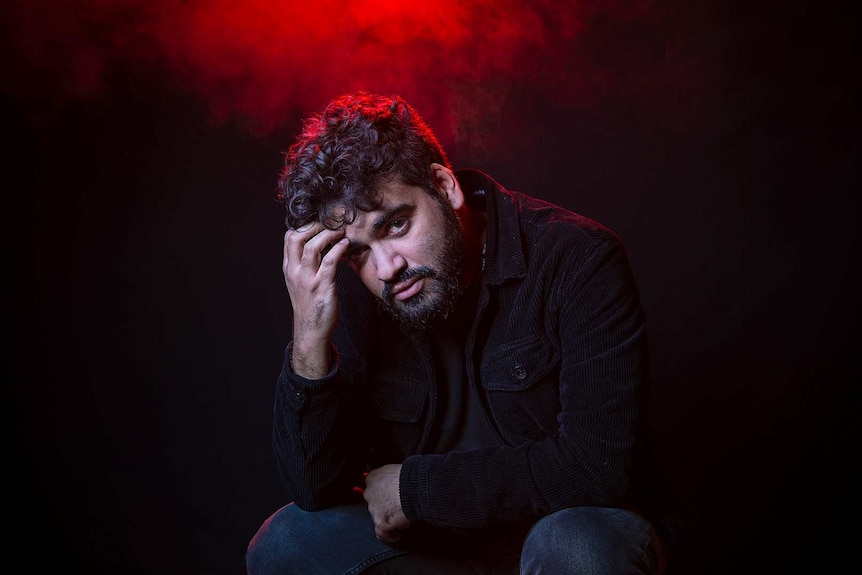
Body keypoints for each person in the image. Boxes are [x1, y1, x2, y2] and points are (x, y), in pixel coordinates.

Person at [246, 91, 672, 574]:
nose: (387, 268)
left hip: (560, 533)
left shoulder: (577, 258)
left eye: (397, 224)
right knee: (287, 540)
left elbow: (599, 467)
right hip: (436, 553)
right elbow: (313, 490)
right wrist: (309, 339)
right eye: (360, 250)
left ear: (444, 186)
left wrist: (417, 491)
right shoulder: (359, 291)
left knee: (576, 545)